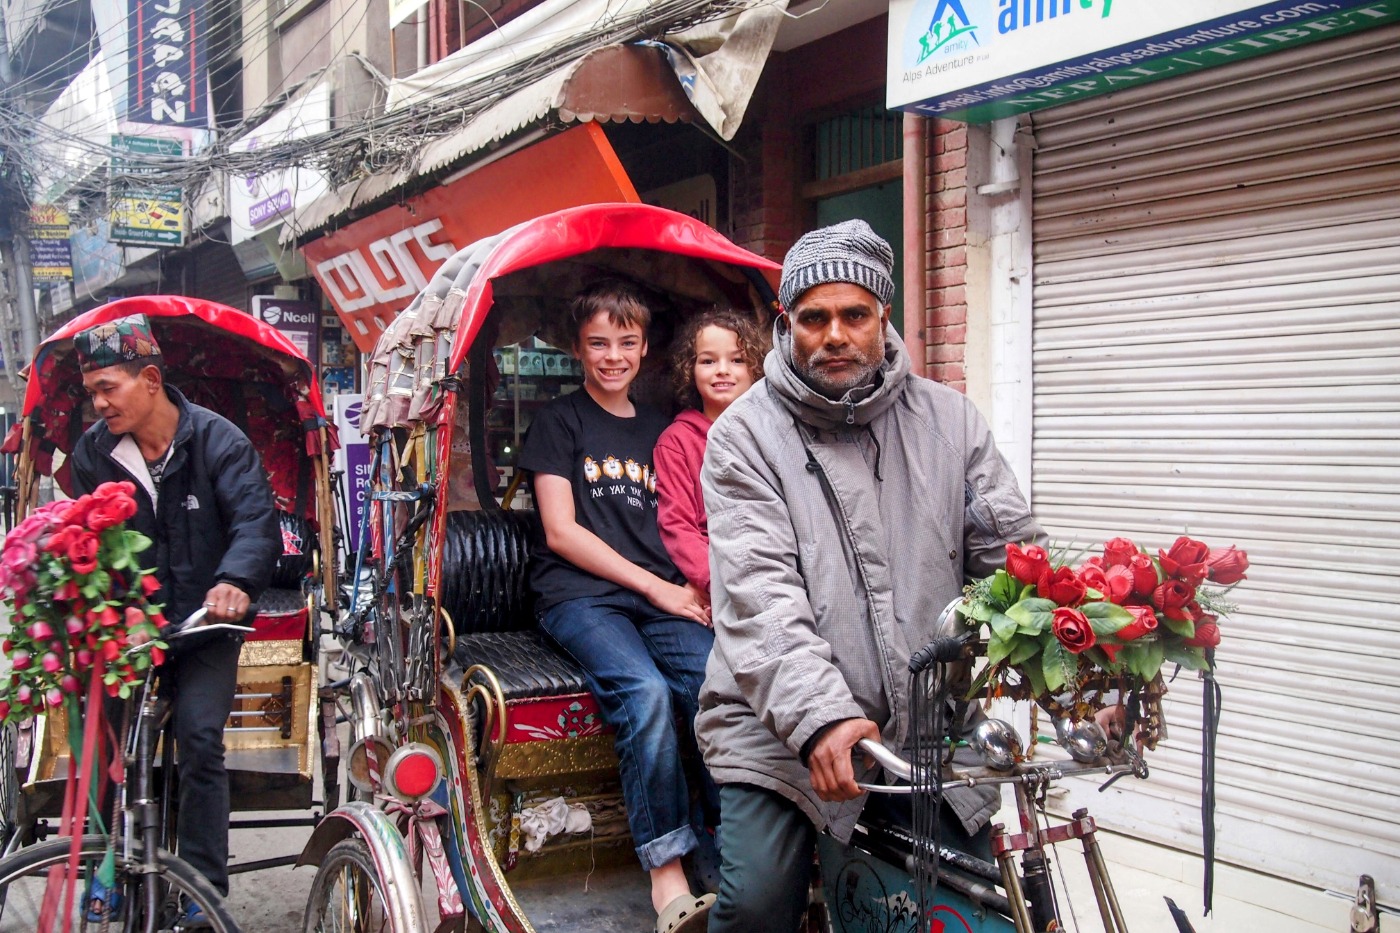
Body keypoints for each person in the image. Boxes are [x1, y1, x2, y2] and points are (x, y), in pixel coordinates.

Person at [696, 220, 1047, 932]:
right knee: (759, 904)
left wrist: (1081, 669)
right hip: (779, 732)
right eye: (814, 317)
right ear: (785, 321)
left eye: (854, 314)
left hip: (924, 729)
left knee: (974, 906)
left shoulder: (951, 422)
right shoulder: (743, 436)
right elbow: (762, 599)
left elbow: (1015, 567)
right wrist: (819, 717)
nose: (834, 335)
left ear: (884, 317)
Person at [517, 279, 716, 933]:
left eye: (625, 342)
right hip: (580, 596)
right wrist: (657, 587)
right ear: (578, 348)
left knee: (722, 691)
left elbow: (687, 517)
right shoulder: (558, 420)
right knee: (645, 691)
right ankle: (667, 868)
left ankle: (733, 853)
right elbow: (560, 531)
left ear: (644, 346)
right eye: (599, 342)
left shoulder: (663, 428)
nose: (612, 356)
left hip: (661, 595)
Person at [68, 313, 280, 924]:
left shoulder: (220, 442)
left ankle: (203, 888)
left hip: (205, 625)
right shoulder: (94, 452)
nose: (99, 403)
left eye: (108, 388)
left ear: (151, 379)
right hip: (132, 627)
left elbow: (254, 524)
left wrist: (235, 582)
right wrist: (106, 608)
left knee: (199, 737)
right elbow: (91, 537)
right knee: (108, 741)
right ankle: (104, 866)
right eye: (91, 393)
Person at [653, 310, 764, 598]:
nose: (722, 370)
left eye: (737, 360)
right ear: (690, 370)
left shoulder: (773, 435)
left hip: (776, 571)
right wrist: (718, 585)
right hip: (719, 580)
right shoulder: (676, 442)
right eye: (708, 361)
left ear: (756, 369)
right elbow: (678, 526)